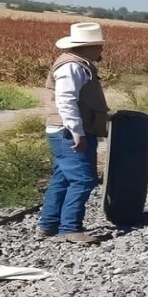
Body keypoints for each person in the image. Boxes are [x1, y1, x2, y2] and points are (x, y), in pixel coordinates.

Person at [38, 23, 110, 244]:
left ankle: (49, 225)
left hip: (65, 129)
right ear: (87, 46)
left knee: (62, 179)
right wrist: (76, 132)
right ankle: (70, 228)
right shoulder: (72, 67)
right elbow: (66, 101)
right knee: (83, 180)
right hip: (68, 131)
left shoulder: (78, 64)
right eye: (98, 45)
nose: (101, 50)